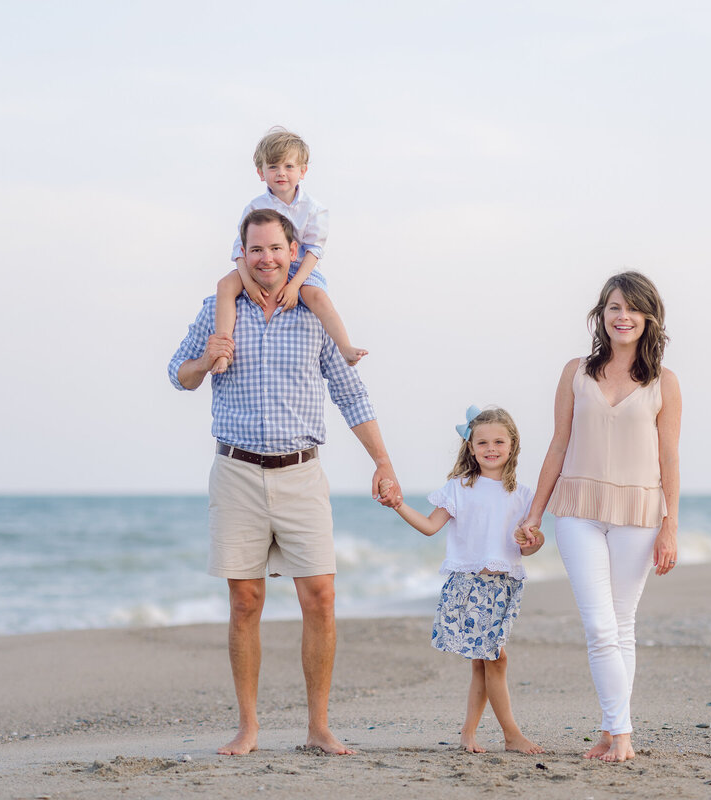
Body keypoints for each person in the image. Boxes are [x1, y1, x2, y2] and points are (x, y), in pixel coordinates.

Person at [168, 207, 400, 756]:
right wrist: (206, 361)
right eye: (256, 249)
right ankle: (248, 728)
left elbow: (351, 394)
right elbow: (177, 373)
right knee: (245, 600)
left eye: (275, 249)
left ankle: (319, 728)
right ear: (242, 253)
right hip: (237, 471)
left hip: (301, 472)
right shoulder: (218, 311)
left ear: (293, 252)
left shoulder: (312, 312)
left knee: (320, 596)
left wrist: (383, 462)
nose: (266, 258)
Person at [515, 271, 682, 763]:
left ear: (649, 318)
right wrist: (534, 515)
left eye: (632, 308)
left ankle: (614, 733)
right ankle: (621, 732)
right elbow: (558, 444)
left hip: (640, 512)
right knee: (599, 625)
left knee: (622, 624)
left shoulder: (664, 382)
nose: (622, 316)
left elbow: (669, 457)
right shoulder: (576, 372)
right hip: (577, 511)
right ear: (601, 315)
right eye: (613, 307)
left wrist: (670, 524)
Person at [381, 406, 545, 755]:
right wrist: (398, 505)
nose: (490, 448)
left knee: (484, 662)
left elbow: (531, 546)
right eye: (482, 442)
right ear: (470, 447)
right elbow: (429, 526)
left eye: (499, 441)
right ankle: (511, 734)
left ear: (513, 445)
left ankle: (468, 734)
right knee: (495, 660)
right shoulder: (459, 488)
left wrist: (532, 541)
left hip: (505, 586)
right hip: (469, 585)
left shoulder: (524, 494)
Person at [211, 126, 366, 373]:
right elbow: (240, 250)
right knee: (224, 286)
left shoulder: (314, 209)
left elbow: (315, 250)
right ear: (261, 173)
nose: (281, 173)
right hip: (260, 264)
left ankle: (345, 347)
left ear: (303, 171)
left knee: (318, 297)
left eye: (289, 167)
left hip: (300, 266)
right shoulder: (255, 207)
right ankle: (223, 351)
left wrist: (295, 286)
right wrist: (248, 283)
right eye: (273, 167)